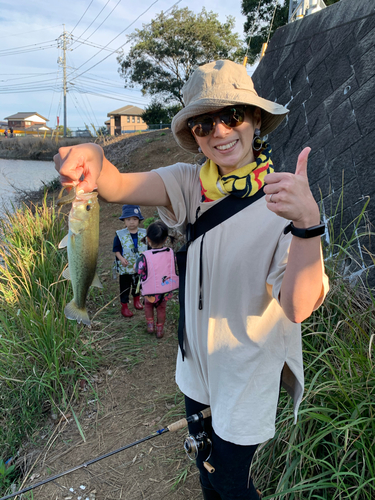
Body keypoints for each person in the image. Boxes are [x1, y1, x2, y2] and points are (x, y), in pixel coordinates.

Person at [54, 60, 329, 500]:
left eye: (232, 116)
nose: (219, 131)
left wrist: (308, 224)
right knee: (206, 472)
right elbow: (117, 185)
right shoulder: (188, 184)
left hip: (243, 378)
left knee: (232, 485)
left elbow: (297, 306)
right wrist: (92, 158)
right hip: (195, 371)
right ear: (194, 134)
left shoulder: (284, 201)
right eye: (203, 123)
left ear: (256, 120)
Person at [135, 220, 179, 339]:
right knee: (161, 308)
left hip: (150, 291)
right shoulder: (170, 253)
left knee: (148, 306)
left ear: (148, 239)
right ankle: (160, 330)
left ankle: (150, 326)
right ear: (165, 239)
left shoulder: (145, 256)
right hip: (165, 290)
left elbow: (138, 270)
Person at [113, 204, 147, 318]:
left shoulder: (144, 233)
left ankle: (137, 300)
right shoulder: (120, 235)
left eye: (134, 219)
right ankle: (124, 306)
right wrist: (121, 259)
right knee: (125, 286)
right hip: (125, 267)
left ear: (139, 220)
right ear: (124, 221)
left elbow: (148, 249)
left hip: (139, 267)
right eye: (128, 219)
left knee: (137, 285)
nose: (131, 222)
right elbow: (116, 250)